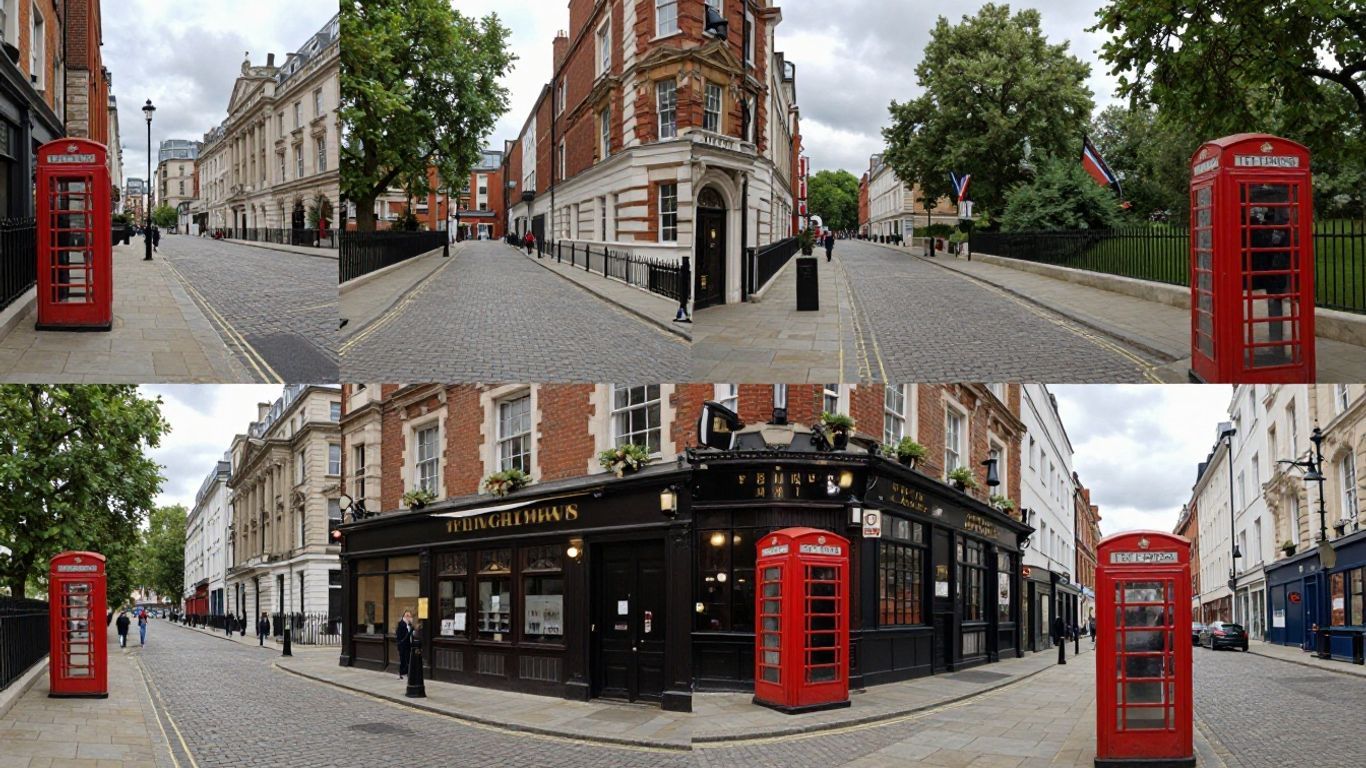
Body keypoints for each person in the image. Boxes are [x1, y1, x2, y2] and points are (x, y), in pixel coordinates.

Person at [396, 610, 414, 679]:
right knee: (403, 660)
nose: (408, 617)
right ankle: (401, 673)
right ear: (404, 616)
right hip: (402, 646)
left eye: (409, 616)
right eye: (407, 615)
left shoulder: (408, 625)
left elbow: (411, 635)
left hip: (408, 645)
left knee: (407, 660)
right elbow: (403, 637)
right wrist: (410, 631)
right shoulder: (401, 624)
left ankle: (406, 673)